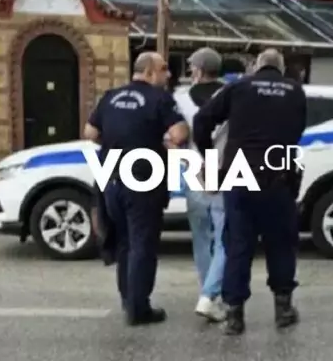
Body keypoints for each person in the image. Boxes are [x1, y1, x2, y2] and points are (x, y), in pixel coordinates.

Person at [193, 48, 307, 336]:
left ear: (257, 66)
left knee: (237, 246)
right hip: (278, 175)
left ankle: (235, 316)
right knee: (281, 244)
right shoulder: (295, 91)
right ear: (281, 69)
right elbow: (297, 131)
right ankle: (283, 309)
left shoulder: (239, 87)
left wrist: (210, 157)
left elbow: (201, 120)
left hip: (239, 174)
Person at [83, 51, 188, 326]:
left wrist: (117, 142)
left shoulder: (110, 96)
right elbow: (179, 134)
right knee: (143, 244)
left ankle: (127, 299)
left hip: (112, 179)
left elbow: (90, 133)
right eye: (164, 69)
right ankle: (139, 308)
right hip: (143, 179)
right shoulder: (160, 98)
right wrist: (162, 142)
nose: (168, 74)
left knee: (125, 243)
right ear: (150, 72)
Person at [174, 47, 228, 322]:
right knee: (225, 235)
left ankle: (207, 290)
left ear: (197, 69)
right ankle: (212, 294)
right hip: (226, 168)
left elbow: (175, 136)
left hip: (194, 168)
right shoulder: (232, 94)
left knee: (201, 236)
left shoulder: (181, 97)